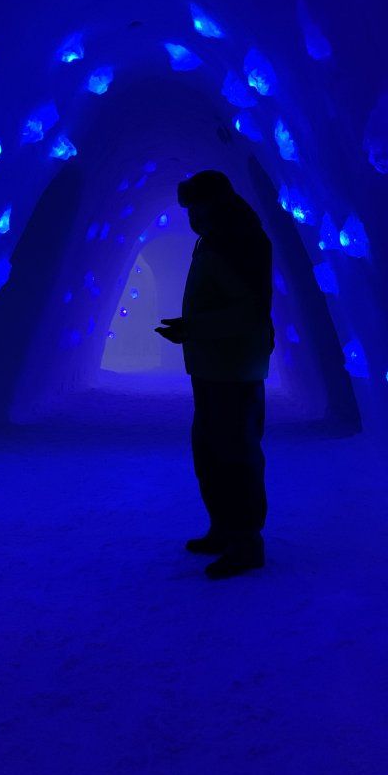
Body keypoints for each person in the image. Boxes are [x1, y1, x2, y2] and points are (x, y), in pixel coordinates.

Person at [155, 170, 274, 579]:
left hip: (235, 367)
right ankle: (224, 528)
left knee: (235, 454)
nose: (191, 218)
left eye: (196, 208)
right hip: (214, 364)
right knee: (209, 451)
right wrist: (193, 329)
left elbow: (249, 312)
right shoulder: (215, 238)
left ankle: (246, 541)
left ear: (217, 204)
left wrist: (194, 328)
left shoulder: (240, 242)